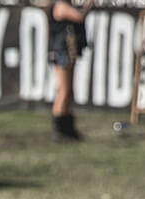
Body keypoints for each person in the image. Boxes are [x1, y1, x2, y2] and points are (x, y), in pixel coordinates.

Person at [48, 0, 92, 142]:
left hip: (66, 50)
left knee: (69, 91)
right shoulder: (59, 5)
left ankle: (68, 128)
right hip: (61, 51)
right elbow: (78, 16)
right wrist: (88, 6)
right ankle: (59, 129)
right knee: (64, 90)